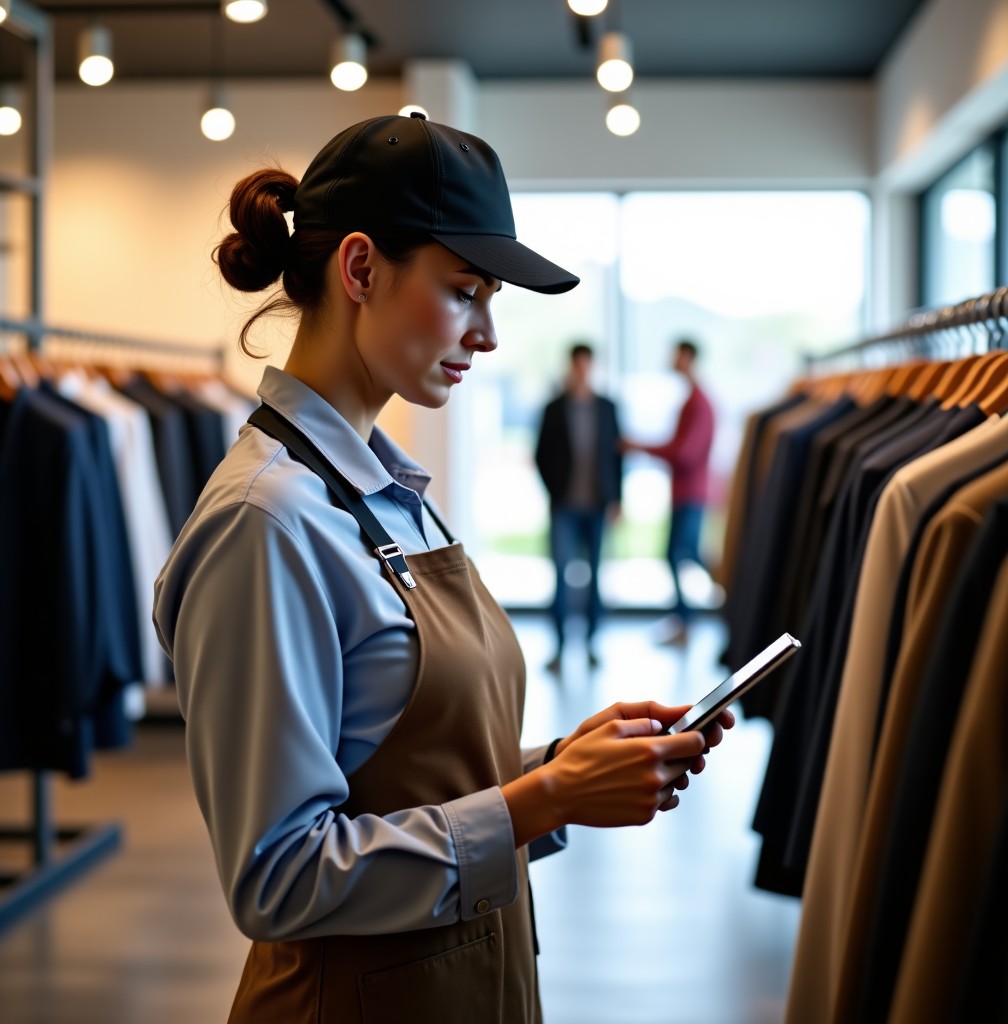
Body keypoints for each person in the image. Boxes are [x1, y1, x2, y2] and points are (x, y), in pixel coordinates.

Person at [152, 113, 732, 1024]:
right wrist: (541, 800)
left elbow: (408, 774)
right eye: (465, 292)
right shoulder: (267, 522)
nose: (489, 334)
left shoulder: (390, 493)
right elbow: (279, 876)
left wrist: (564, 767)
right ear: (360, 269)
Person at [534, 342, 622, 672]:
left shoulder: (607, 407)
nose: (582, 370)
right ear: (571, 366)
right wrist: (554, 490)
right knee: (560, 575)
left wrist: (617, 498)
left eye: (587, 364)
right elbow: (540, 454)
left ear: (592, 366)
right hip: (564, 507)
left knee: (596, 575)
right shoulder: (554, 408)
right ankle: (559, 647)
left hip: (598, 505)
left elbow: (616, 457)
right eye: (578, 364)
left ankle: (591, 643)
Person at [623, 339, 715, 645]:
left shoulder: (698, 402)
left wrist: (639, 446)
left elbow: (684, 453)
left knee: (681, 555)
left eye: (676, 354)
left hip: (691, 493)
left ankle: (690, 620)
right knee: (683, 554)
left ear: (688, 357)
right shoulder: (693, 400)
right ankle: (686, 620)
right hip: (686, 492)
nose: (671, 359)